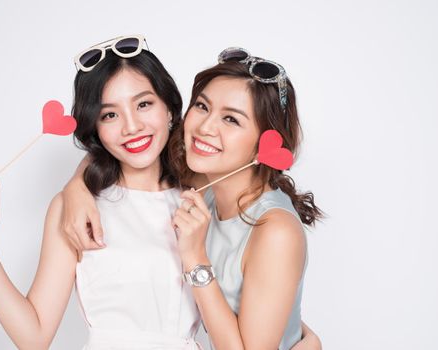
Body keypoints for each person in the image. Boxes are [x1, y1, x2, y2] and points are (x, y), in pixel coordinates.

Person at [62, 47, 322, 349]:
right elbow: (125, 150)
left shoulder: (276, 231)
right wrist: (76, 189)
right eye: (202, 106)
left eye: (231, 120)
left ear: (264, 143)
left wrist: (194, 258)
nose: (205, 127)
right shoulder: (205, 181)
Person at [0, 35, 202, 349]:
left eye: (143, 104)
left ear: (169, 107)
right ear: (94, 127)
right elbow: (34, 336)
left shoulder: (201, 195)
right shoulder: (75, 208)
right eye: (109, 114)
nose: (131, 126)